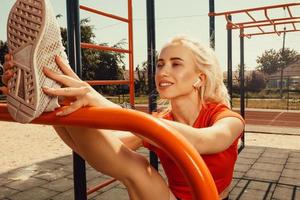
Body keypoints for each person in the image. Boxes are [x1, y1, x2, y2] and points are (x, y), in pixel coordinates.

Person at [2, 36, 244, 200]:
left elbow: (204, 141)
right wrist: (55, 113)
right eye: (160, 64)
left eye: (176, 64)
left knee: (140, 166)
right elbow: (100, 149)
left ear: (199, 78)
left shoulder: (227, 118)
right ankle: (50, 92)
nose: (163, 71)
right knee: (128, 161)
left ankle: (52, 87)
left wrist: (99, 100)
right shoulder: (159, 120)